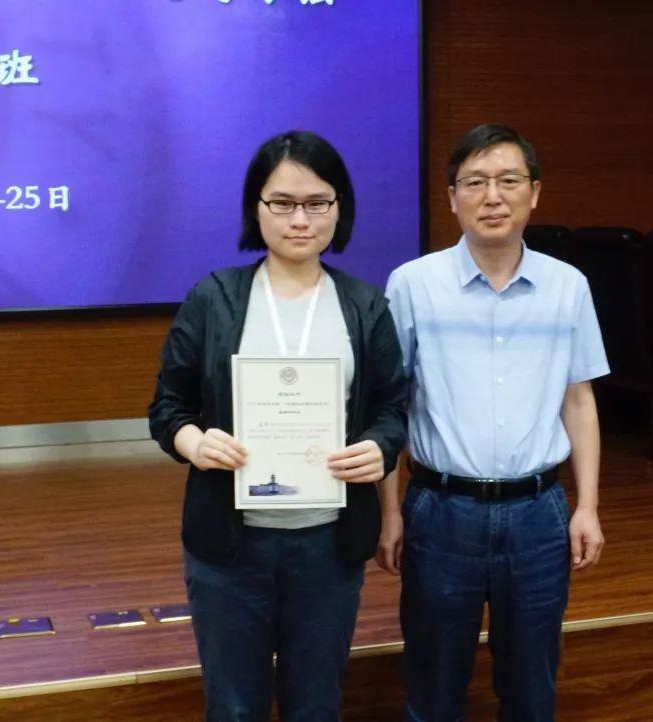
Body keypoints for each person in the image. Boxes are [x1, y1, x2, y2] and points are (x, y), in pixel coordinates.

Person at [148, 130, 408, 722]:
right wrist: (195, 442)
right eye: (283, 203)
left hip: (328, 545)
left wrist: (379, 446)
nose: (300, 219)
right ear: (256, 208)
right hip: (229, 545)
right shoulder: (213, 298)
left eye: (317, 203)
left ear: (339, 208)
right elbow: (167, 407)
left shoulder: (365, 305)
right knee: (234, 707)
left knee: (315, 705)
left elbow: (392, 408)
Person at [378, 123, 608, 721]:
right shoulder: (413, 285)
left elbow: (579, 399)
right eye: (475, 182)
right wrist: (390, 511)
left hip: (539, 513)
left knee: (532, 687)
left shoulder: (568, 287)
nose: (493, 196)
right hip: (440, 511)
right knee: (432, 685)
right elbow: (390, 406)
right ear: (452, 197)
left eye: (509, 180)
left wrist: (586, 506)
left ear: (535, 192)